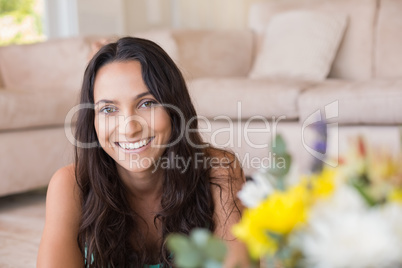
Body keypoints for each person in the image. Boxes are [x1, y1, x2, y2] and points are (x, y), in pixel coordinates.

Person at [37, 37, 249, 267]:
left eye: (146, 103)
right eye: (108, 109)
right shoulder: (70, 184)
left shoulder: (219, 168)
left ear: (174, 109)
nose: (130, 128)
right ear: (92, 120)